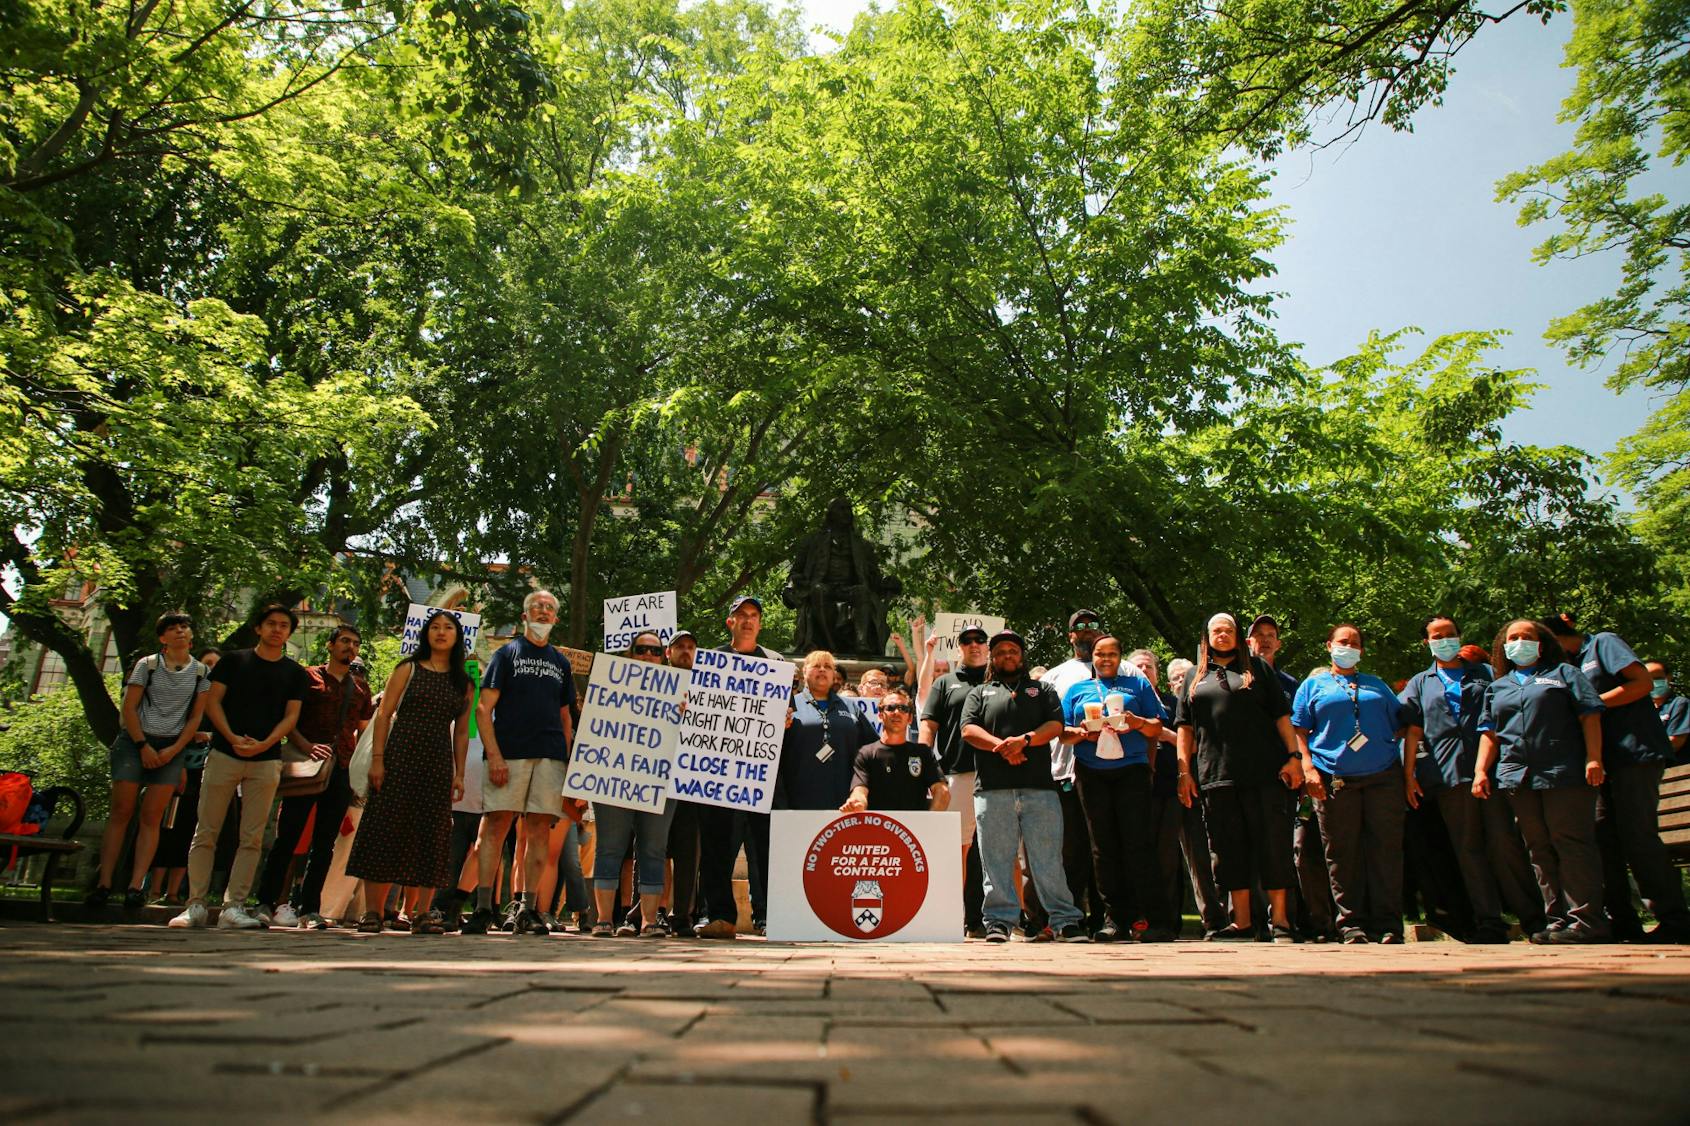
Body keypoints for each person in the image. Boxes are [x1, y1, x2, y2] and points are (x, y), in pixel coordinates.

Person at [1544, 613, 1689, 943]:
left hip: (1634, 754)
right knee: (1601, 839)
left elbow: (1642, 683)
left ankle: (1674, 919)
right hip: (1600, 764)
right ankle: (1621, 921)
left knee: (1639, 837)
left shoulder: (1602, 644)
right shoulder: (1568, 667)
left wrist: (1590, 704)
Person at [1400, 615, 1543, 943]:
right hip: (1448, 777)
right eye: (1437, 636)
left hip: (1493, 772)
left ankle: (1534, 918)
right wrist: (1409, 776)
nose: (1444, 640)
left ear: (1459, 636)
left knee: (1506, 843)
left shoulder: (1485, 674)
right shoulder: (1421, 683)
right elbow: (1412, 729)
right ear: (1427, 642)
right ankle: (1489, 921)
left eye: (1450, 634)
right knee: (1469, 849)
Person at [170, 605, 308, 929]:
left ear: (289, 632)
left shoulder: (294, 673)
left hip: (267, 759)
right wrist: (229, 736)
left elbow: (291, 716)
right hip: (224, 753)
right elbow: (213, 701)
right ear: (258, 628)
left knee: (253, 837)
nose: (277, 630)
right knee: (206, 831)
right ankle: (196, 904)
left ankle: (234, 905)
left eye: (284, 625)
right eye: (271, 624)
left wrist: (266, 742)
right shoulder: (233, 661)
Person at [1474, 619, 1608, 943]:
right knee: (1538, 848)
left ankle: (1587, 921)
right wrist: (1480, 771)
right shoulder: (1498, 686)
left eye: (1527, 637)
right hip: (1517, 777)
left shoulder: (1565, 675)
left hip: (1563, 772)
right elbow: (1489, 734)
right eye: (1513, 637)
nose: (1520, 642)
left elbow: (1589, 716)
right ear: (1503, 646)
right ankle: (1558, 920)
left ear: (1542, 642)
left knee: (1571, 842)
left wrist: (1594, 757)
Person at [1174, 613, 1303, 943]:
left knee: (1273, 846)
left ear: (1238, 636)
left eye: (1228, 630)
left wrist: (1295, 758)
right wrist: (1184, 773)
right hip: (1215, 775)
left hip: (1265, 774)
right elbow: (1185, 730)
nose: (1222, 635)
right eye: (1216, 630)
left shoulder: (1258, 670)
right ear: (1207, 637)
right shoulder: (1193, 676)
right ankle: (1242, 923)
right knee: (1228, 851)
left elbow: (1282, 719)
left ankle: (1282, 923)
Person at [347, 610, 473, 934]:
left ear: (457, 636)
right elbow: (384, 714)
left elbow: (461, 731)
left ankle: (421, 913)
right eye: (435, 627)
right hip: (400, 753)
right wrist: (378, 759)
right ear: (425, 633)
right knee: (384, 827)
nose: (441, 632)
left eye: (448, 628)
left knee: (430, 833)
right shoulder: (408, 668)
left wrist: (459, 774)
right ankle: (373, 912)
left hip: (437, 759)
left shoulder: (463, 681)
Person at [961, 630, 1090, 944]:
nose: (1007, 655)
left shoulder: (1042, 689)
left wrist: (1025, 741)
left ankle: (1065, 921)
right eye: (1001, 651)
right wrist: (1002, 746)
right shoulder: (979, 692)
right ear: (993, 657)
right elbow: (968, 729)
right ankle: (999, 922)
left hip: (1040, 789)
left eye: (1013, 650)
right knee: (995, 860)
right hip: (992, 790)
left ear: (1022, 655)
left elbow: (1056, 726)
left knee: (1047, 859)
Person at [462, 590, 577, 936]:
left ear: (555, 618)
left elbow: (565, 717)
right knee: (496, 826)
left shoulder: (561, 662)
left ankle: (528, 908)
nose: (543, 612)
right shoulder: (505, 654)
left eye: (549, 608)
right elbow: (483, 709)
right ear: (524, 616)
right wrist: (494, 755)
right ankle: (483, 907)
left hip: (550, 759)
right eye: (536, 607)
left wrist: (568, 763)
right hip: (509, 756)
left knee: (539, 830)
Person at [88, 612, 211, 914]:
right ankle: (104, 882)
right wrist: (142, 744)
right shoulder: (148, 664)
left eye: (184, 626)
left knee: (152, 817)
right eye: (173, 628)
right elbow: (129, 707)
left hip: (172, 746)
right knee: (121, 811)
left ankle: (135, 886)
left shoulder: (201, 672)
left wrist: (174, 750)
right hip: (135, 742)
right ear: (163, 638)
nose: (180, 631)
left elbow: (195, 717)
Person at [254, 623, 374, 928]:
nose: (351, 647)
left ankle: (310, 908)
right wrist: (306, 747)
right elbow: (287, 719)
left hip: (342, 769)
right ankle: (266, 902)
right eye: (345, 641)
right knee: (288, 837)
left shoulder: (360, 687)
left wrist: (360, 770)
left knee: (325, 844)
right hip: (306, 765)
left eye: (356, 643)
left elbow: (363, 731)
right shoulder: (305, 677)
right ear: (330, 645)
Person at [1292, 624, 1406, 944]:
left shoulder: (1377, 686)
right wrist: (1308, 768)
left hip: (1383, 777)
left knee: (1385, 851)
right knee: (1341, 853)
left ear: (1362, 651)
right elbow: (1298, 732)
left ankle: (1388, 924)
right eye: (1343, 641)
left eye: (1355, 642)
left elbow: (1399, 725)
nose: (1349, 646)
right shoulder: (1312, 686)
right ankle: (1351, 923)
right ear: (1329, 645)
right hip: (1334, 778)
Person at [1058, 636, 1172, 942]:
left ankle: (1155, 919)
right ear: (1091, 657)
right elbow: (1063, 734)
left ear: (1120, 657)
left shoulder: (1137, 685)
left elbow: (1157, 727)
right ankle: (1113, 920)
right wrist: (1083, 732)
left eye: (1112, 654)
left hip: (1131, 769)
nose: (1105, 658)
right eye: (1100, 654)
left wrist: (1136, 722)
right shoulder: (1076, 690)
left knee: (1139, 844)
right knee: (1102, 847)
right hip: (1091, 772)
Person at [696, 596, 782, 940]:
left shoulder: (773, 664)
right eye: (741, 615)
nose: (747, 620)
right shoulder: (713, 660)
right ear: (729, 622)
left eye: (753, 615)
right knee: (717, 846)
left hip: (760, 775)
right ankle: (718, 915)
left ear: (760, 623)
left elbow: (784, 711)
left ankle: (770, 917)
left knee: (765, 847)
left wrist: (785, 718)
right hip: (719, 775)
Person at [589, 631, 681, 938]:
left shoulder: (678, 693)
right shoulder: (609, 685)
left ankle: (649, 921)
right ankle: (603, 919)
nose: (648, 656)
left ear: (664, 656)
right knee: (609, 848)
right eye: (641, 649)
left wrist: (686, 715)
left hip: (658, 782)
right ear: (630, 654)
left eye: (655, 651)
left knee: (653, 849)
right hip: (614, 780)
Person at [1035, 609, 1105, 935]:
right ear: (1071, 636)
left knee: (1104, 847)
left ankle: (1107, 919)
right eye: (1080, 627)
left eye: (1093, 625)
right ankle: (1069, 918)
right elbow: (1040, 726)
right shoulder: (1054, 676)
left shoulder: (1125, 670)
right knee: (1070, 850)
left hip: (1110, 772)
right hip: (1063, 772)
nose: (1087, 631)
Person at [921, 625, 991, 935]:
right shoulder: (944, 683)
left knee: (997, 850)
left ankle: (1001, 919)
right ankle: (955, 914)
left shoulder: (999, 680)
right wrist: (924, 768)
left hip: (997, 774)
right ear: (958, 647)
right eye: (967, 641)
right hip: (956, 773)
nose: (974, 645)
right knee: (956, 849)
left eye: (980, 640)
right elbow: (928, 727)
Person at [149, 646, 221, 903]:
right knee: (166, 829)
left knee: (190, 831)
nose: (212, 669)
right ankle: (154, 889)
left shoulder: (223, 704)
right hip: (177, 772)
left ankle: (175, 891)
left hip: (206, 776)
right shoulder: (185, 697)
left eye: (217, 665)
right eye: (208, 663)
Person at [1166, 658, 1229, 935]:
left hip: (1210, 783)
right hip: (1172, 789)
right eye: (1177, 678)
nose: (1183, 681)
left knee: (1214, 853)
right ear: (1170, 684)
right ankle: (1180, 921)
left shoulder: (1209, 704)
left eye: (1187, 676)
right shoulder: (1165, 706)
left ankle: (1223, 918)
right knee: (1185, 858)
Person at [778, 651, 879, 812]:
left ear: (834, 675)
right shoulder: (788, 706)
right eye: (816, 666)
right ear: (804, 672)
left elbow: (873, 749)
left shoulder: (851, 707)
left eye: (828, 667)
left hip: (845, 803)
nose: (822, 670)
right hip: (797, 803)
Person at [842, 686, 950, 812]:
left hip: (914, 829)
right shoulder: (866, 753)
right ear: (880, 716)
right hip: (877, 826)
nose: (897, 712)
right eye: (890, 708)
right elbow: (860, 791)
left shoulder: (923, 753)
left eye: (903, 709)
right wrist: (857, 802)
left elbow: (942, 792)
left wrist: (930, 821)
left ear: (910, 718)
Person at [663, 630, 703, 936]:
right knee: (650, 849)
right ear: (669, 652)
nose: (686, 652)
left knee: (688, 852)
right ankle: (647, 912)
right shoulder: (651, 683)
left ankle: (682, 916)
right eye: (680, 647)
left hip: (691, 782)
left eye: (691, 648)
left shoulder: (706, 688)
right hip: (655, 779)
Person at [1247, 614, 1301, 702]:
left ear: (1278, 644)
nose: (1265, 639)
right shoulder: (1237, 677)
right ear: (1248, 642)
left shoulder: (1290, 684)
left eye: (1271, 635)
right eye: (1260, 634)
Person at [1648, 660, 1689, 760]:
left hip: (1679, 771)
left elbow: (1675, 742)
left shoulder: (1680, 703)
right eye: (1649, 679)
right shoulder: (1643, 710)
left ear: (1669, 677)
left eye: (1658, 678)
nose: (1654, 683)